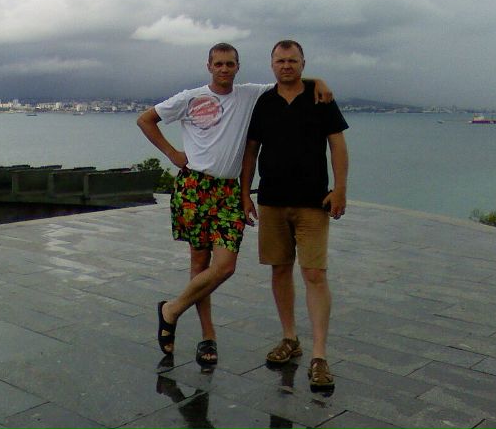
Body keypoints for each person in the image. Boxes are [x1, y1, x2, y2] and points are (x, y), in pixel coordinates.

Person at [137, 42, 332, 367]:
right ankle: (207, 336)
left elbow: (287, 78)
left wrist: (318, 81)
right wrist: (172, 154)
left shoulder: (248, 95)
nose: (224, 69)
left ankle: (171, 309)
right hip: (194, 187)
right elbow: (146, 120)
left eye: (230, 64)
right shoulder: (189, 97)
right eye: (219, 64)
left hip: (228, 191)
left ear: (238, 67)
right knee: (200, 263)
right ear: (209, 66)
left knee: (225, 266)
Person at [240, 39, 348, 391]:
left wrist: (340, 189)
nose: (286, 66)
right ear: (271, 64)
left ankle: (319, 355)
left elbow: (337, 145)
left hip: (312, 202)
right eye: (280, 61)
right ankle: (290, 337)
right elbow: (251, 150)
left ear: (303, 63)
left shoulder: (320, 98)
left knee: (314, 273)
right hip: (272, 200)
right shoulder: (264, 102)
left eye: (292, 60)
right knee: (280, 268)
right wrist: (245, 193)